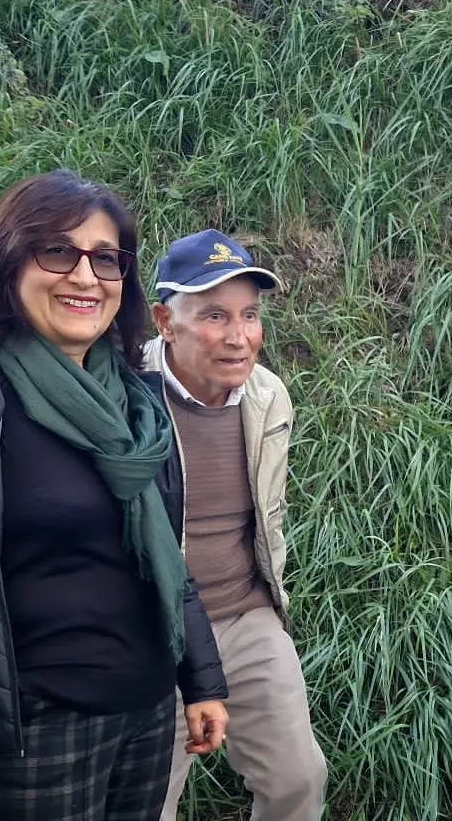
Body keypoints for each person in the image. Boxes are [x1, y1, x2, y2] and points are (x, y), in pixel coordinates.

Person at [0, 169, 230, 821]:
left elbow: (165, 552)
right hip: (31, 733)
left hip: (143, 715)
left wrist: (200, 678)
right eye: (58, 250)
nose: (85, 276)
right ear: (9, 261)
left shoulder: (135, 401)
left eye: (106, 258)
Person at [143, 229, 328, 821]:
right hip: (150, 632)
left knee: (299, 779)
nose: (238, 336)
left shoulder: (268, 395)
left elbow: (264, 515)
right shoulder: (123, 397)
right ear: (165, 321)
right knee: (144, 802)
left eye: (249, 315)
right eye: (214, 315)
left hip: (248, 615)